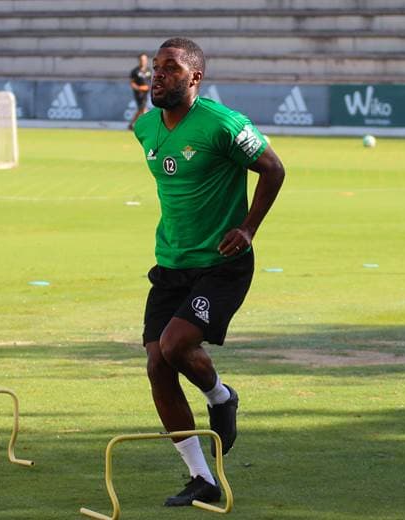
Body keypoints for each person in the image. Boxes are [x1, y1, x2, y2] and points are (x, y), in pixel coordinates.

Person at [132, 38, 285, 507]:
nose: (159, 75)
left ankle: (220, 397)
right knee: (158, 365)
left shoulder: (224, 124)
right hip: (171, 263)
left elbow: (274, 169)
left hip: (223, 264)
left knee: (177, 345)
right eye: (157, 68)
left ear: (195, 78)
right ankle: (204, 478)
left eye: (171, 68)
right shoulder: (145, 128)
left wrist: (248, 227)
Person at [128, 53, 152, 130]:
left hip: (146, 93)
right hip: (139, 93)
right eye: (142, 60)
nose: (143, 61)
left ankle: (131, 124)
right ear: (139, 61)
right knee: (143, 109)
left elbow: (150, 82)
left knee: (140, 109)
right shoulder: (135, 71)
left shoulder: (149, 71)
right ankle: (147, 126)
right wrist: (139, 88)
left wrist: (148, 87)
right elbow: (132, 83)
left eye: (144, 60)